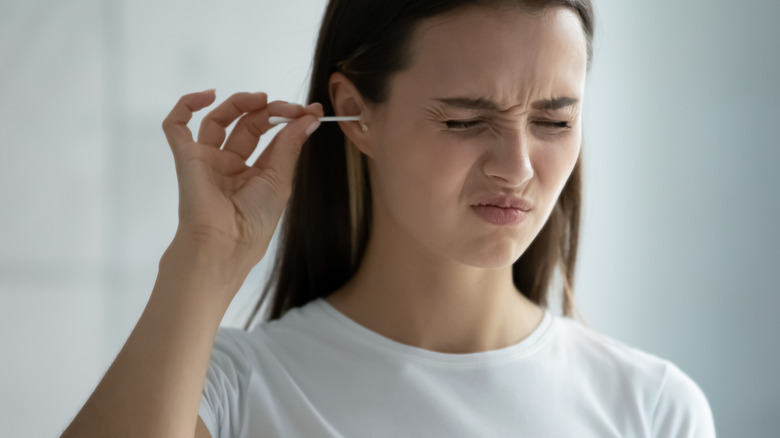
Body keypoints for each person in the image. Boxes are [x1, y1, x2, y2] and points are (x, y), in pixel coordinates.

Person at [61, 0, 717, 437]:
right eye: (465, 120)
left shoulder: (653, 408)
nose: (516, 167)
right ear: (356, 110)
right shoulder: (228, 392)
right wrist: (203, 255)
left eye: (555, 121)